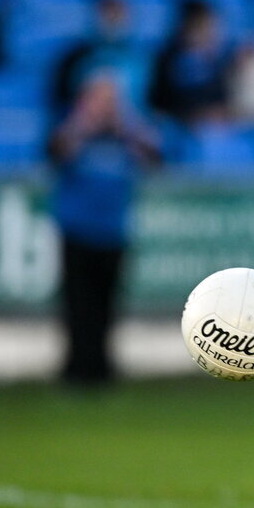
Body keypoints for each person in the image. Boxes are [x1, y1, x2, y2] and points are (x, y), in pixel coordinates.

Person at [49, 72, 160, 384]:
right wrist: (85, 124)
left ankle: (102, 369)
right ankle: (75, 369)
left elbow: (155, 158)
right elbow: (56, 153)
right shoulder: (74, 131)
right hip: (77, 231)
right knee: (77, 306)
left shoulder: (125, 137)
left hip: (112, 233)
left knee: (107, 305)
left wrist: (127, 127)